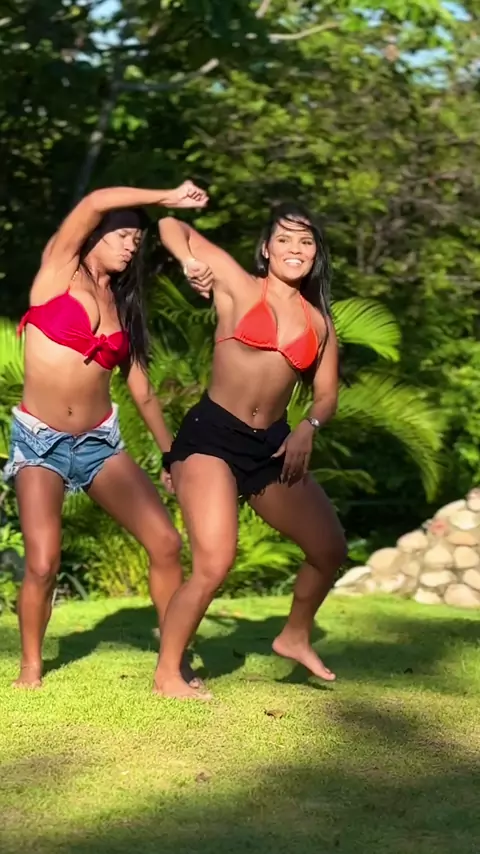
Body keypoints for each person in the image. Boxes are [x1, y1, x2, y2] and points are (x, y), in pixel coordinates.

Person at [5, 180, 209, 690]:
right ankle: (31, 668)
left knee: (166, 542)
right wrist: (166, 197)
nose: (130, 245)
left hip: (99, 443)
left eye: (136, 241)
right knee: (43, 563)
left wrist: (172, 455)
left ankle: (172, 664)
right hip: (41, 442)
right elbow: (94, 201)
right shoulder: (57, 271)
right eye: (121, 235)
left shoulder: (121, 304)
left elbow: (142, 391)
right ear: (93, 235)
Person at [155, 202, 348, 700]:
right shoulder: (238, 285)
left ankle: (295, 636)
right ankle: (168, 674)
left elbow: (327, 395)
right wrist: (188, 261)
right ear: (266, 248)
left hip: (271, 447)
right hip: (212, 438)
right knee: (214, 563)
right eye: (284, 239)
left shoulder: (320, 323)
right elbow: (171, 224)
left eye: (305, 242)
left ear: (316, 254)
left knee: (329, 550)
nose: (295, 249)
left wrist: (308, 426)